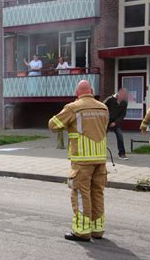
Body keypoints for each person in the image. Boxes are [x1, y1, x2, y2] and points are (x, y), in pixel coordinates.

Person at [48, 80, 109, 242]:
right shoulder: (103, 108)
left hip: (82, 159)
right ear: (92, 91)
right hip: (100, 158)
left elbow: (53, 125)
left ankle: (81, 231)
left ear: (77, 93)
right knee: (97, 192)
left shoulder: (73, 108)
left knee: (82, 194)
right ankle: (98, 229)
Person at [104, 89, 129, 160]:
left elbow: (122, 115)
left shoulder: (124, 103)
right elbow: (102, 107)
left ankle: (122, 154)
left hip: (115, 122)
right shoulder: (110, 99)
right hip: (106, 121)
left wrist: (115, 122)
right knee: (102, 137)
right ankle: (100, 152)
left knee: (119, 135)